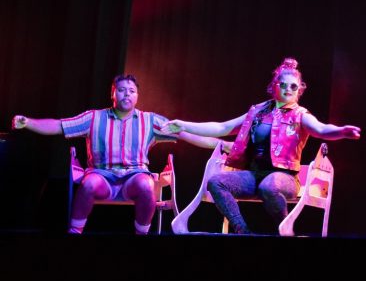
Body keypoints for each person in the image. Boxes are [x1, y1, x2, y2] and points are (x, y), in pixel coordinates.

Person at [159, 58, 361, 234]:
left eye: (293, 87)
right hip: (254, 176)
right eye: (283, 85)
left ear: (299, 90)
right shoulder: (257, 112)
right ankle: (243, 230)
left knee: (269, 185)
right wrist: (183, 125)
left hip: (285, 178)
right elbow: (222, 127)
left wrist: (342, 131)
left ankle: (284, 227)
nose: (288, 89)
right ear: (274, 86)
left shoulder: (300, 115)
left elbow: (321, 129)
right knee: (216, 182)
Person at [11, 73, 219, 234]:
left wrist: (222, 145)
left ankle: (141, 236)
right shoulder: (94, 118)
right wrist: (28, 123)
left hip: (134, 177)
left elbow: (186, 134)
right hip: (102, 177)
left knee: (147, 186)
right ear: (113, 93)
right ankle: (74, 234)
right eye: (121, 90)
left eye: (131, 91)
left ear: (137, 96)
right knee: (88, 184)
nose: (127, 94)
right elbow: (59, 125)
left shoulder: (150, 120)